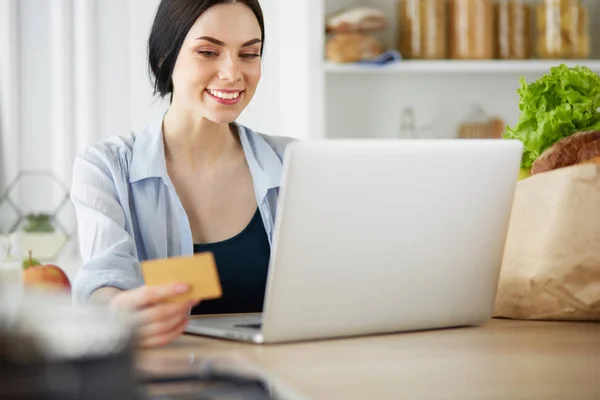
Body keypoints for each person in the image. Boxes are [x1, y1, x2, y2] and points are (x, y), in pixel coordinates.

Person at [69, 0, 294, 348]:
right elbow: (104, 277)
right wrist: (117, 310)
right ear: (165, 56)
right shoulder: (106, 167)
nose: (233, 73)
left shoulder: (295, 163)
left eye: (249, 54)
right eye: (208, 52)